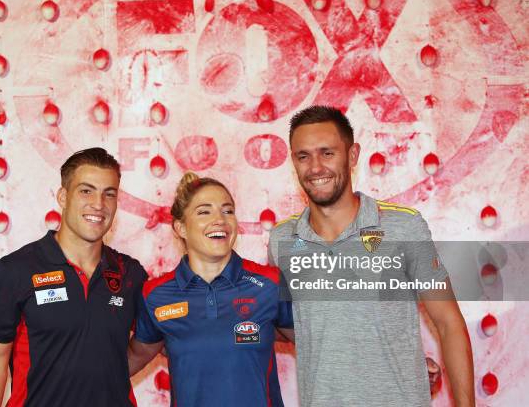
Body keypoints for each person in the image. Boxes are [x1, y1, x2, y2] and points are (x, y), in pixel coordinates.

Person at [268, 106, 475, 407]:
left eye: (327, 153)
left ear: (352, 156)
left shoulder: (403, 226)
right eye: (303, 156)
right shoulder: (281, 239)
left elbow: (448, 322)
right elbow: (296, 326)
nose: (315, 167)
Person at [0, 148, 148, 407]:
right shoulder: (16, 270)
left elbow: (159, 339)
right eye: (86, 191)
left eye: (109, 194)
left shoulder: (130, 274)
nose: (98, 204)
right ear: (63, 196)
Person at [127, 172, 294, 406]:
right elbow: (133, 358)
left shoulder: (269, 283)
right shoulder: (155, 295)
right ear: (180, 228)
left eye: (228, 211)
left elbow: (318, 344)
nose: (220, 220)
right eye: (204, 211)